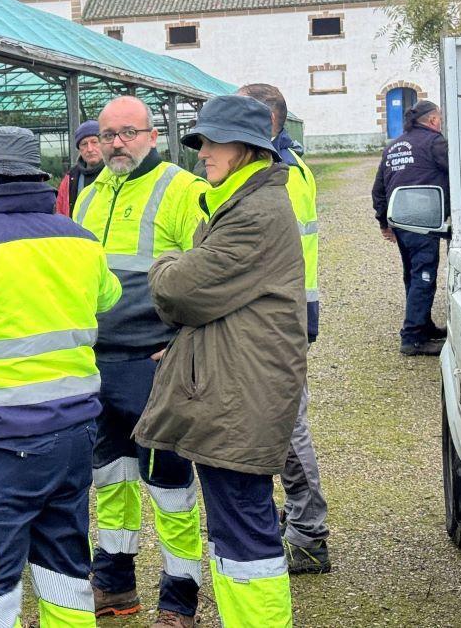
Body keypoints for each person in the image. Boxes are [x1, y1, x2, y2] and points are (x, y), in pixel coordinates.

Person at [0, 126, 122, 628]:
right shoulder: (79, 239)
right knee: (66, 573)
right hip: (74, 437)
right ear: (37, 179)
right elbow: (109, 298)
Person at [135, 95, 307, 628]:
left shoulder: (253, 213)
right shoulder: (240, 202)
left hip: (240, 394)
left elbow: (182, 292)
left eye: (212, 141)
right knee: (235, 528)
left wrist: (166, 261)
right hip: (233, 387)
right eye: (201, 141)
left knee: (243, 527)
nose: (202, 152)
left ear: (247, 148)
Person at [71, 96, 208, 627]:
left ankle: (179, 599)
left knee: (169, 482)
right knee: (110, 476)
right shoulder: (90, 193)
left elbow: (211, 272)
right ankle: (114, 583)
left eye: (129, 132)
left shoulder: (181, 188)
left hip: (156, 360)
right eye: (108, 135)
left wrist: (188, 339)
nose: (117, 143)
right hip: (100, 361)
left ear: (153, 135)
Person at [237, 83, 332, 576]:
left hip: (281, 317)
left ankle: (309, 532)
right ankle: (293, 523)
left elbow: (268, 252)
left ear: (268, 121)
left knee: (288, 427)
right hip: (285, 312)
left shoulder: (283, 174)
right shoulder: (282, 166)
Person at [370, 100, 450, 356]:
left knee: (413, 275)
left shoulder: (392, 147)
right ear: (432, 120)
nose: (441, 123)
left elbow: (378, 189)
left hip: (401, 221)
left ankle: (423, 325)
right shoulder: (436, 143)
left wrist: (384, 222)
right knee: (424, 274)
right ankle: (413, 337)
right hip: (423, 221)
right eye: (439, 118)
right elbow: (458, 174)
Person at [55, 119, 104, 215]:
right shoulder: (70, 179)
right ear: (79, 149)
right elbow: (60, 212)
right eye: (84, 144)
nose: (89, 149)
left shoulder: (116, 173)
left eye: (94, 142)